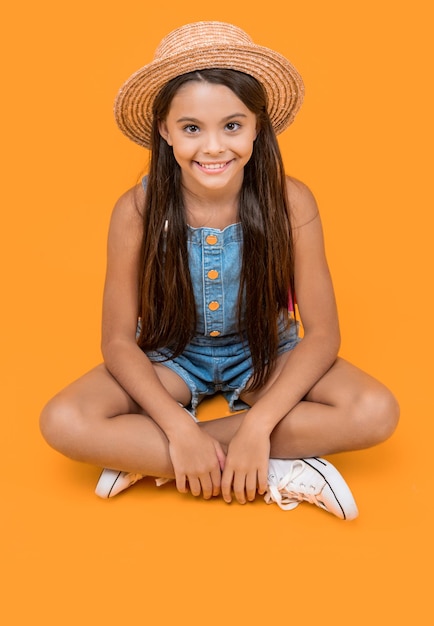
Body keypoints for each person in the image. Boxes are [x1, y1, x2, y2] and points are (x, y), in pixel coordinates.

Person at [39, 21, 399, 520]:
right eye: (191, 128)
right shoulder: (137, 210)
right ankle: (271, 468)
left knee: (375, 411)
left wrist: (257, 427)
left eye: (232, 125)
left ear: (257, 125)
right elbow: (118, 341)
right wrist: (178, 427)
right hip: (172, 359)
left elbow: (322, 333)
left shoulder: (292, 203)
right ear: (164, 130)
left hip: (265, 354)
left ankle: (152, 457)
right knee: (64, 420)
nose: (213, 148)